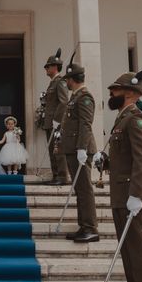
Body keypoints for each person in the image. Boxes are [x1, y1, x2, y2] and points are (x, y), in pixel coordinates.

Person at [97, 65, 142, 282]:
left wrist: (137, 195)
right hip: (122, 193)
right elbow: (125, 156)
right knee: (129, 250)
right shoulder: (122, 118)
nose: (112, 94)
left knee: (140, 250)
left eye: (116, 90)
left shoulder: (136, 119)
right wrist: (106, 160)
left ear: (131, 94)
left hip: (133, 195)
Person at [57, 61, 98, 243]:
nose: (66, 82)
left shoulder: (85, 97)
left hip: (79, 149)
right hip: (73, 149)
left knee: (84, 190)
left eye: (67, 79)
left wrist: (82, 147)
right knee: (80, 190)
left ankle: (90, 228)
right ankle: (83, 226)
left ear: (73, 79)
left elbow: (86, 124)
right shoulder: (76, 96)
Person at [43, 49, 70, 185]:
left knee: (58, 150)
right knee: (52, 150)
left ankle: (62, 177)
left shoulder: (60, 82)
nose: (46, 69)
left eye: (48, 66)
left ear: (54, 67)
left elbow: (64, 102)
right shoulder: (52, 83)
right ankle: (56, 175)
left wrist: (57, 120)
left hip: (56, 123)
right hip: (50, 122)